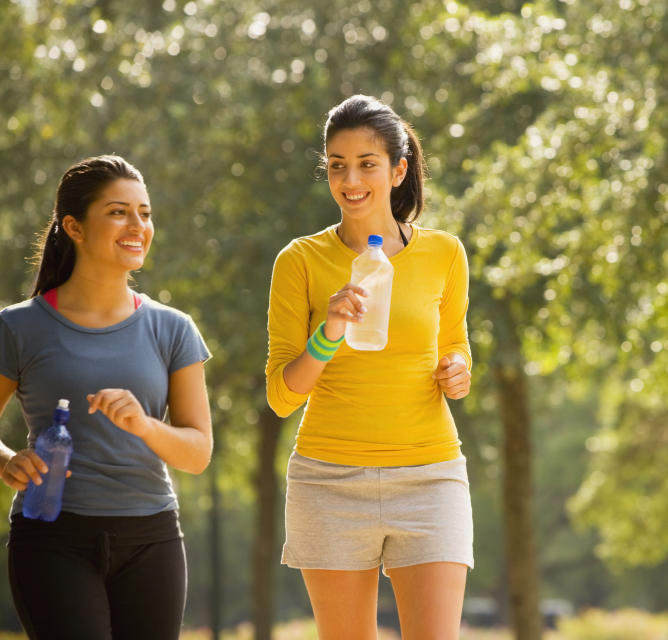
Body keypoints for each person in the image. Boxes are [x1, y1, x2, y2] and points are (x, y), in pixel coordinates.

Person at [266, 95, 473, 640]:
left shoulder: (445, 255)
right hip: (329, 479)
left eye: (367, 163)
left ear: (398, 169)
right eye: (337, 165)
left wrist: (457, 369)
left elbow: (454, 345)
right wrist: (328, 331)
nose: (350, 179)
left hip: (430, 476)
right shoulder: (300, 261)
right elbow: (282, 395)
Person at [0, 155, 213, 639]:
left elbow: (198, 452)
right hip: (53, 538)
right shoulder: (18, 326)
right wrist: (7, 461)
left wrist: (144, 425)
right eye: (119, 212)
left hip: (152, 539)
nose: (138, 225)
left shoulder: (173, 329)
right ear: (73, 226)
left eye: (145, 212)